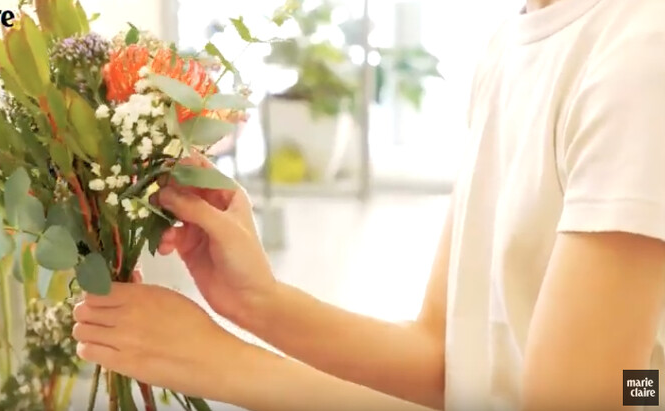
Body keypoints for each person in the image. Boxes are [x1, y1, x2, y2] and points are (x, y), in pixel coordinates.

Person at [71, 0, 665, 409]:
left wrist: (220, 364)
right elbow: (444, 361)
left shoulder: (638, 57)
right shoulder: (512, 44)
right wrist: (259, 303)